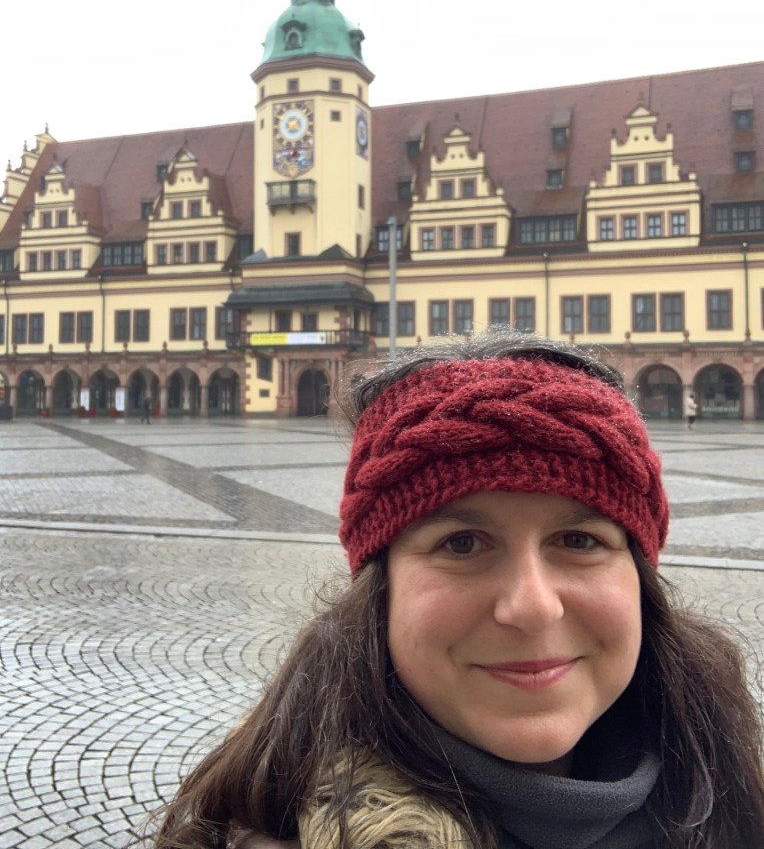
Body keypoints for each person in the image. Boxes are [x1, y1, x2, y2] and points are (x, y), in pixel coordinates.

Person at [149, 332, 764, 849]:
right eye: (462, 543)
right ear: (380, 588)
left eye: (579, 541)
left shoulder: (737, 795)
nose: (531, 606)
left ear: (639, 574)